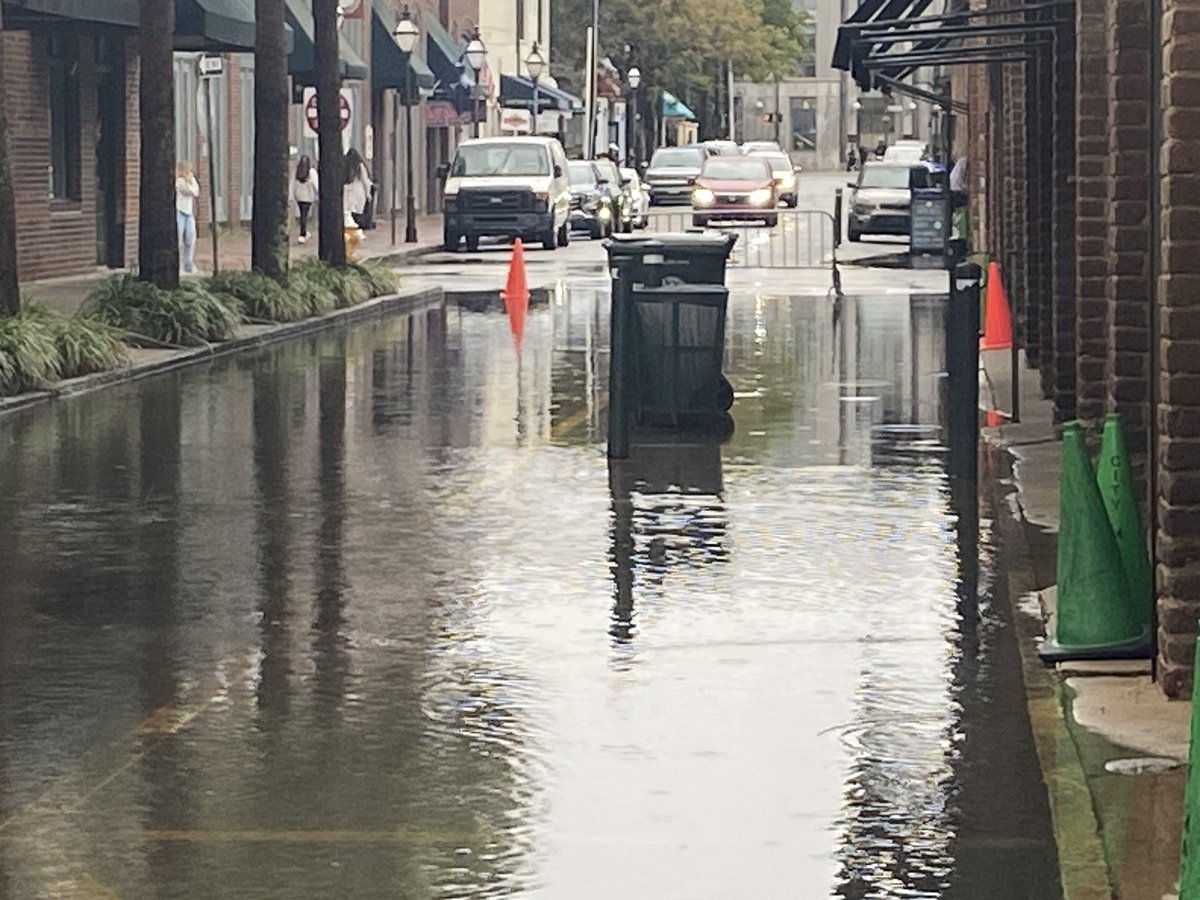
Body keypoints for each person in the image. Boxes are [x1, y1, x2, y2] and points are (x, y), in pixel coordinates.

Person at [175, 161, 200, 274]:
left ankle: (188, 263)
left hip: (188, 212)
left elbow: (196, 192)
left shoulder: (192, 180)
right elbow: (187, 191)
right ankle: (178, 265)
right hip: (179, 211)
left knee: (190, 237)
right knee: (178, 238)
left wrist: (191, 185)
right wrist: (190, 186)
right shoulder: (179, 181)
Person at [291, 155, 318, 244]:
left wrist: (293, 195)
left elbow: (293, 184)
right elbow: (315, 184)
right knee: (305, 215)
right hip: (308, 197)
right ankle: (303, 233)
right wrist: (318, 194)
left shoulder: (297, 172)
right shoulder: (311, 172)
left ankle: (304, 232)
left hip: (299, 197)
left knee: (303, 214)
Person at [343, 148, 372, 230]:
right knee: (357, 213)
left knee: (348, 213)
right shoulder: (360, 166)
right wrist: (368, 195)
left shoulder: (344, 166)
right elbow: (365, 180)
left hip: (347, 191)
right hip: (358, 191)